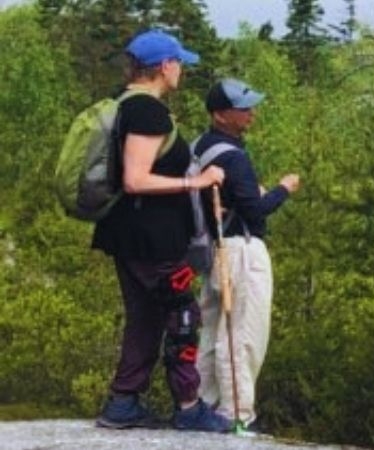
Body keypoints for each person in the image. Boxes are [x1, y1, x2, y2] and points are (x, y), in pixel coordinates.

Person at [92, 29, 232, 433]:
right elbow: (136, 179)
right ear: (165, 67)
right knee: (182, 313)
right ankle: (188, 406)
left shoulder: (123, 105)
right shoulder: (147, 112)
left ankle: (123, 401)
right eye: (179, 63)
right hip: (152, 239)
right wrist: (197, 182)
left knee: (145, 317)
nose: (182, 70)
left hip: (127, 233)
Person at [193, 78, 300, 431]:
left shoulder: (200, 147)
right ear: (221, 115)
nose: (251, 113)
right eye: (243, 109)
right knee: (243, 333)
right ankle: (237, 413)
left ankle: (202, 404)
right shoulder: (233, 157)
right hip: (241, 250)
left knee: (210, 331)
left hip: (214, 249)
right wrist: (283, 190)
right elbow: (255, 211)